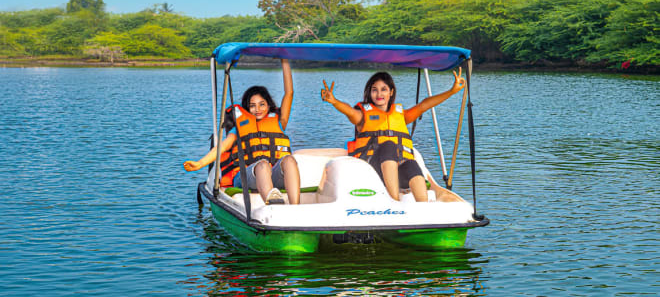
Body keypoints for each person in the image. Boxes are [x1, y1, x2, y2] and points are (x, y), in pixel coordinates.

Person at [320, 69, 465, 202]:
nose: (379, 94)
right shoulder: (362, 115)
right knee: (389, 145)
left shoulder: (401, 115)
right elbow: (349, 112)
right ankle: (394, 202)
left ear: (391, 92)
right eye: (374, 90)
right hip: (371, 171)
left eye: (384, 90)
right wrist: (334, 101)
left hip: (398, 174)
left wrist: (452, 91)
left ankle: (424, 208)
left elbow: (424, 105)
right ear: (370, 93)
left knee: (411, 164)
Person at [184, 59, 301, 205]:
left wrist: (284, 60)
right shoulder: (239, 128)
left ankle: (296, 207)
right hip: (245, 177)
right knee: (262, 165)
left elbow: (289, 93)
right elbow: (223, 147)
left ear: (268, 105)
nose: (257, 109)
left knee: (289, 160)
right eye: (252, 106)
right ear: (247, 108)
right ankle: (273, 206)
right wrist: (200, 163)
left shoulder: (279, 121)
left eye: (261, 104)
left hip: (273, 176)